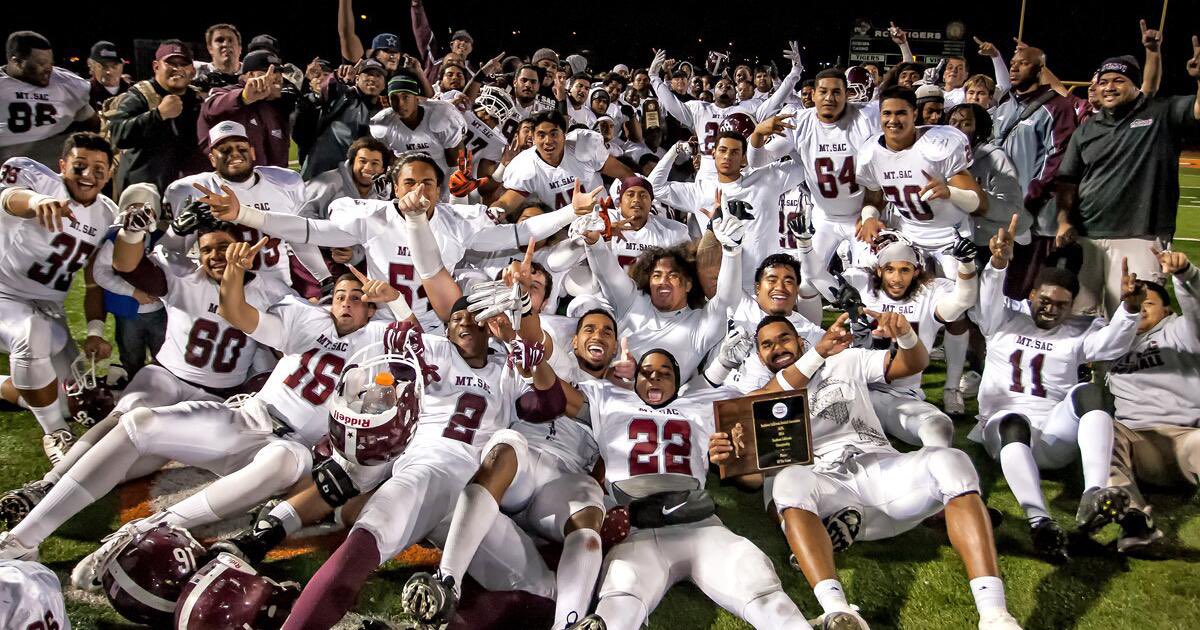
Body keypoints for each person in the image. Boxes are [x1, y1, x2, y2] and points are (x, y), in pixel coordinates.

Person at [718, 313, 1021, 629]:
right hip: (831, 494)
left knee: (952, 460)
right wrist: (735, 457)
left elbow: (911, 364)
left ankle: (995, 614)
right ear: (759, 356)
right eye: (766, 345)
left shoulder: (843, 361)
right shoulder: (759, 397)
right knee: (787, 482)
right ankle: (838, 611)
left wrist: (906, 336)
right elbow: (752, 480)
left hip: (885, 475)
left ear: (800, 340)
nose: (777, 347)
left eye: (784, 338)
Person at [523, 349, 812, 630]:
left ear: (678, 382)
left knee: (758, 583)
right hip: (638, 529)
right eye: (646, 373)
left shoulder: (702, 405)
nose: (655, 379)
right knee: (621, 595)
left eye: (664, 373)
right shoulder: (609, 400)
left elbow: (768, 397)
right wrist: (533, 357)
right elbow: (557, 395)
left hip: (701, 524)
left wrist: (819, 354)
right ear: (635, 379)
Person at [279, 299, 522, 630]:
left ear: (489, 328)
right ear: (447, 329)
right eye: (456, 319)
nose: (465, 324)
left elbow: (546, 402)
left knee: (535, 588)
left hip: (476, 499)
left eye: (475, 320)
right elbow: (404, 358)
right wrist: (402, 347)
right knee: (364, 541)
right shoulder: (439, 351)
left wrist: (520, 345)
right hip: (430, 469)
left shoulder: (505, 371)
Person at [970, 216, 1143, 563]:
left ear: (1073, 306)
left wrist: (1130, 308)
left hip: (1053, 434)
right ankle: (1040, 522)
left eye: (1062, 305)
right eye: (1044, 300)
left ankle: (1094, 492)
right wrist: (998, 264)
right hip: (1004, 432)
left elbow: (1112, 345)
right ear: (1031, 294)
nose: (1050, 309)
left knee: (1090, 392)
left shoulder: (1079, 330)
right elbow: (987, 298)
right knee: (1013, 421)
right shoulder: (1003, 319)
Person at [856, 86, 988, 414]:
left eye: (901, 113)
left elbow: (979, 202)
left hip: (947, 237)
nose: (893, 120)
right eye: (887, 113)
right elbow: (874, 195)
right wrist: (870, 217)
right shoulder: (872, 152)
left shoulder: (938, 146)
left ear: (914, 114)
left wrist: (950, 193)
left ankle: (951, 386)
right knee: (880, 288)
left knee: (956, 314)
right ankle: (885, 369)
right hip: (908, 238)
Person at [1056, 47, 1200, 316]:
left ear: (1136, 86)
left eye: (1119, 80)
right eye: (1104, 81)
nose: (1109, 87)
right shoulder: (1087, 129)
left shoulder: (1160, 114)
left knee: (1135, 320)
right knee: (1078, 320)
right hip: (1087, 237)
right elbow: (1068, 180)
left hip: (1140, 235)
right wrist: (1064, 221)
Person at [0, 133, 116, 464]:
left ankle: (5, 387)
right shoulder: (37, 181)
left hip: (49, 309)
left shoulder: (106, 213)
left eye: (98, 168)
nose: (88, 175)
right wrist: (36, 202)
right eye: (79, 166)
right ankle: (55, 435)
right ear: (62, 165)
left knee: (68, 402)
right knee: (30, 336)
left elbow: (94, 285)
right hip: (4, 294)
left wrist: (94, 331)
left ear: (109, 174)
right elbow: (9, 197)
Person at [833, 232, 979, 445]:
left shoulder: (930, 292)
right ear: (880, 270)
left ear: (916, 271)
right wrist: (805, 244)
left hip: (901, 394)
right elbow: (813, 281)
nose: (897, 278)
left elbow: (961, 301)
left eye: (905, 270)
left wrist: (966, 264)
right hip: (855, 389)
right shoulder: (861, 284)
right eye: (890, 269)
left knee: (938, 427)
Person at [748, 67, 879, 302]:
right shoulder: (800, 122)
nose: (830, 98)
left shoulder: (866, 118)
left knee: (868, 281)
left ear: (847, 94)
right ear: (814, 95)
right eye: (824, 92)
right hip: (824, 216)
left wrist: (871, 213)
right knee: (806, 284)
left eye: (837, 92)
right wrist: (757, 134)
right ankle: (815, 331)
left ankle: (863, 330)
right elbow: (758, 161)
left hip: (859, 217)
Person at [1102, 249, 1200, 554]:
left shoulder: (1181, 332)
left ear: (1168, 310)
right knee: (1101, 431)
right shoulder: (1110, 343)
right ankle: (1134, 520)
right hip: (1137, 445)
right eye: (1136, 303)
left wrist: (1187, 277)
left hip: (1186, 438)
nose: (1141, 309)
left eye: (1149, 303)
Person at [583, 209, 744, 383]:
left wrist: (732, 250)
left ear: (688, 284)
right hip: (613, 399)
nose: (663, 281)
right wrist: (593, 241)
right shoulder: (632, 302)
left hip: (668, 407)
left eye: (673, 275)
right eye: (656, 275)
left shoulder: (699, 324)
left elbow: (727, 300)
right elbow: (609, 274)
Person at [166, 121, 322, 290]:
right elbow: (177, 252)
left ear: (252, 152)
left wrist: (321, 279)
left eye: (241, 148)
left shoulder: (286, 181)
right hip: (220, 291)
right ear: (212, 158)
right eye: (225, 150)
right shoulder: (189, 190)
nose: (234, 154)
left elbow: (301, 238)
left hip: (278, 290)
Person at [651, 131, 806, 291]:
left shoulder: (768, 178)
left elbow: (806, 165)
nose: (727, 156)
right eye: (723, 150)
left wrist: (786, 140)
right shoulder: (701, 191)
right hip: (722, 284)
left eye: (735, 152)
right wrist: (676, 149)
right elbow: (654, 186)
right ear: (713, 153)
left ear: (744, 158)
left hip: (766, 282)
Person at [990, 44, 1079, 300]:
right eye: (1013, 62)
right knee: (998, 283)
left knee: (1027, 285)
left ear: (1040, 69)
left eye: (1024, 63)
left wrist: (1030, 197)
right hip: (1001, 210)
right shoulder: (1005, 106)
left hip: (1035, 214)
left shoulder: (1057, 107)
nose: (1014, 67)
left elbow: (1058, 158)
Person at [107, 40, 206, 196]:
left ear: (192, 71)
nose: (177, 68)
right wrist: (158, 115)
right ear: (156, 66)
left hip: (184, 193)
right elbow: (118, 135)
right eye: (171, 63)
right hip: (143, 193)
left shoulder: (197, 99)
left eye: (183, 64)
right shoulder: (140, 95)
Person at [648, 49, 758, 181]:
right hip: (707, 172)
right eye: (720, 85)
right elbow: (672, 104)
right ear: (713, 92)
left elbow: (773, 104)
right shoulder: (699, 108)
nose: (724, 87)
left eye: (729, 86)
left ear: (736, 95)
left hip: (737, 171)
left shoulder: (744, 110)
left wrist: (790, 77)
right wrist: (654, 77)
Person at [493, 110, 633, 213]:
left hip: (604, 218)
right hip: (564, 231)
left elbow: (625, 174)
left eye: (554, 134)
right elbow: (506, 203)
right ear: (534, 138)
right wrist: (492, 214)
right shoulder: (525, 164)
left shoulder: (583, 145)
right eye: (541, 135)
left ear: (564, 135)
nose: (548, 141)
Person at [1, 31, 97, 167]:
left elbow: (92, 123)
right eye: (41, 63)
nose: (48, 69)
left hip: (54, 173)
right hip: (7, 175)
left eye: (50, 63)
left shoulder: (66, 83)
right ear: (16, 62)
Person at [199, 50, 294, 168]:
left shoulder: (275, 109)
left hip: (266, 184)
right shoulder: (224, 93)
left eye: (279, 72)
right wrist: (244, 97)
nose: (278, 77)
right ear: (249, 75)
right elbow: (212, 107)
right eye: (269, 71)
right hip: (222, 183)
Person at [296, 58, 387, 180]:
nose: (372, 78)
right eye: (368, 74)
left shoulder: (385, 109)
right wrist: (337, 76)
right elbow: (328, 88)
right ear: (357, 78)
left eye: (378, 75)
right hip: (321, 173)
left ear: (384, 84)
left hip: (354, 177)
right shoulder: (343, 95)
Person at [369, 70, 466, 176]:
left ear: (417, 99)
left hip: (441, 175)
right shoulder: (382, 124)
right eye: (394, 98)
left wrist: (452, 189)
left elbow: (456, 164)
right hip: (406, 178)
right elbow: (388, 161)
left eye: (405, 97)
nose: (400, 104)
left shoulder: (441, 116)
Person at [337, 0, 402, 75]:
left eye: (395, 52)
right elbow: (346, 33)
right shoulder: (362, 69)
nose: (392, 56)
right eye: (387, 51)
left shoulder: (404, 77)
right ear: (376, 54)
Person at [193, 23, 243, 92]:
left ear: (240, 48)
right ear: (210, 48)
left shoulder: (252, 72)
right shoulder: (195, 69)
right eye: (220, 40)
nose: (225, 44)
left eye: (230, 40)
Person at [85, 41, 129, 112]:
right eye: (103, 66)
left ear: (122, 65)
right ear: (92, 66)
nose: (109, 72)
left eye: (114, 66)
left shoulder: (133, 91)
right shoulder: (84, 92)